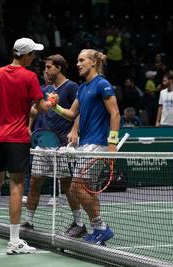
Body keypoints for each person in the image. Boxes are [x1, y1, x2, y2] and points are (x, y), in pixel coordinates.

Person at [0, 37, 52, 254]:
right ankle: (14, 241)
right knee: (16, 187)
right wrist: (52, 102)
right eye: (32, 54)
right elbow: (41, 108)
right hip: (17, 140)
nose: (34, 57)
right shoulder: (30, 77)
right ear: (23, 55)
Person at [47, 49, 120, 245]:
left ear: (93, 63)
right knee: (87, 189)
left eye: (81, 60)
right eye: (77, 60)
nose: (78, 64)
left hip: (98, 144)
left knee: (77, 187)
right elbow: (71, 114)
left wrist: (112, 144)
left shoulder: (102, 85)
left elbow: (115, 114)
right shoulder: (82, 88)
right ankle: (98, 232)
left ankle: (102, 227)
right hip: (85, 144)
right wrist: (55, 107)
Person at [21, 54, 86, 238]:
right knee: (35, 182)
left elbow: (78, 111)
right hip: (43, 144)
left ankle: (79, 223)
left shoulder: (72, 87)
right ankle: (29, 221)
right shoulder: (45, 89)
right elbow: (35, 110)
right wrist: (27, 124)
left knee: (67, 185)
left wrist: (74, 131)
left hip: (61, 145)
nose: (46, 70)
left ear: (59, 68)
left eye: (49, 67)